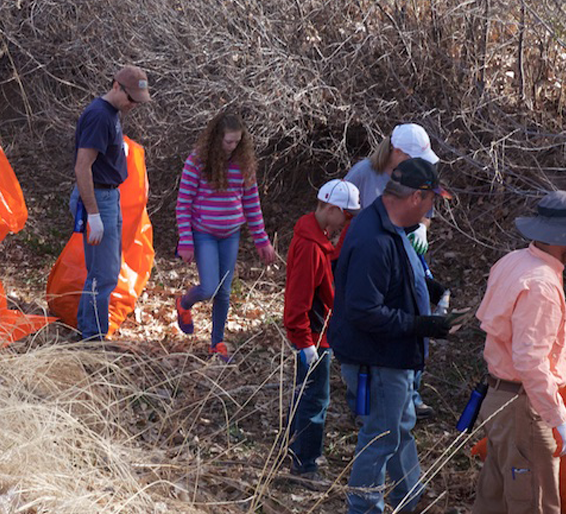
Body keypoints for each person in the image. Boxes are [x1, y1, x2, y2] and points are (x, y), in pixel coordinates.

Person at [472, 191, 566, 514]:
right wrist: (559, 419)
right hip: (523, 407)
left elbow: (512, 329)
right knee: (534, 503)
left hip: (498, 400)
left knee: (494, 500)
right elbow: (530, 362)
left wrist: (560, 334)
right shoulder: (542, 285)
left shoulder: (514, 262)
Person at [329, 157, 455, 514]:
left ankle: (411, 499)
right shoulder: (374, 238)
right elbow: (364, 310)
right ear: (416, 197)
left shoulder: (390, 225)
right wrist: (422, 325)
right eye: (431, 200)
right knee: (381, 436)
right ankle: (364, 508)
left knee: (398, 427)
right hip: (376, 359)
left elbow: (393, 278)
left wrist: (428, 289)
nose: (432, 209)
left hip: (389, 356)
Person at [345, 122, 441, 418]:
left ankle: (411, 392)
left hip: (408, 254)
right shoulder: (364, 173)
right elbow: (343, 209)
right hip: (373, 258)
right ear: (397, 152)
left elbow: (427, 213)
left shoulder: (419, 175)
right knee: (375, 319)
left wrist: (421, 229)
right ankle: (363, 397)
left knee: (416, 313)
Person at [174, 112, 277, 361]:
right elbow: (183, 203)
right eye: (228, 141)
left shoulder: (243, 164)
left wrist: (262, 239)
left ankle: (217, 342)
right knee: (210, 287)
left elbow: (252, 204)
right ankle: (184, 304)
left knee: (224, 291)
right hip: (204, 233)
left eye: (237, 142)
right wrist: (186, 240)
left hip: (230, 234)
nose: (232, 147)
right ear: (216, 138)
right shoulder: (197, 162)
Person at [284, 179, 360, 479]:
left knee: (305, 395)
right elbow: (298, 300)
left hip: (316, 334)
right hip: (313, 337)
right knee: (315, 400)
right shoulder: (310, 247)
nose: (347, 222)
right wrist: (305, 342)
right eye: (347, 215)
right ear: (331, 209)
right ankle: (305, 464)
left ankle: (293, 450)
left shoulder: (318, 239)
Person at [70, 65, 150, 340]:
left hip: (109, 196)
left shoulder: (112, 114)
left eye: (137, 101)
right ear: (116, 86)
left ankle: (88, 329)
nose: (133, 105)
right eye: (131, 99)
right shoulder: (99, 116)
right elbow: (82, 167)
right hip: (98, 198)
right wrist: (93, 214)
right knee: (103, 274)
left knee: (107, 271)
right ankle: (92, 336)